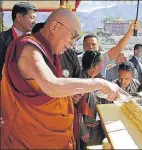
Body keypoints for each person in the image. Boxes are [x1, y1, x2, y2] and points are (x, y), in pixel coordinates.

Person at [1, 8, 123, 149]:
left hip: (53, 135)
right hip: (31, 139)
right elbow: (51, 85)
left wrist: (69, 95)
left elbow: (47, 92)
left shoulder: (50, 54)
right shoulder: (28, 49)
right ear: (54, 27)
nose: (72, 44)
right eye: (72, 36)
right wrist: (99, 83)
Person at [32, 22, 88, 149]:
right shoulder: (32, 56)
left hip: (65, 117)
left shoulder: (69, 54)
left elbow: (78, 79)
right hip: (39, 122)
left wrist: (77, 94)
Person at [80, 51, 113, 148]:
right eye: (101, 65)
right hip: (88, 132)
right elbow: (76, 110)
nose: (102, 67)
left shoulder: (100, 79)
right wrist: (83, 130)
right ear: (95, 67)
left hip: (100, 128)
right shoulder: (80, 83)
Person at [0, 2, 36, 81]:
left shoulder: (36, 40)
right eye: (32, 17)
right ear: (19, 17)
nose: (34, 22)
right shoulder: (2, 39)